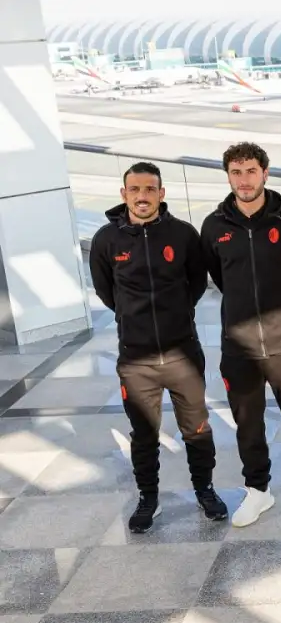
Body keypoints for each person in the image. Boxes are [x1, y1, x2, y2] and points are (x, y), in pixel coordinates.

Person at [90, 161, 227, 533]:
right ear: (124, 195)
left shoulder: (183, 234)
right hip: (136, 358)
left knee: (197, 428)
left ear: (161, 193)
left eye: (150, 189)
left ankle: (205, 490)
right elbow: (106, 291)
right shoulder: (106, 240)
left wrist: (175, 314)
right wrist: (132, 318)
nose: (142, 196)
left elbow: (196, 284)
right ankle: (148, 498)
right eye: (135, 189)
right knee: (144, 434)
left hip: (183, 352)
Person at [200, 142, 281, 528]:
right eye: (236, 172)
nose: (244, 180)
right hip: (238, 346)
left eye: (251, 171)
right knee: (248, 424)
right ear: (228, 176)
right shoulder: (214, 226)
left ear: (265, 173)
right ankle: (258, 490)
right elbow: (218, 275)